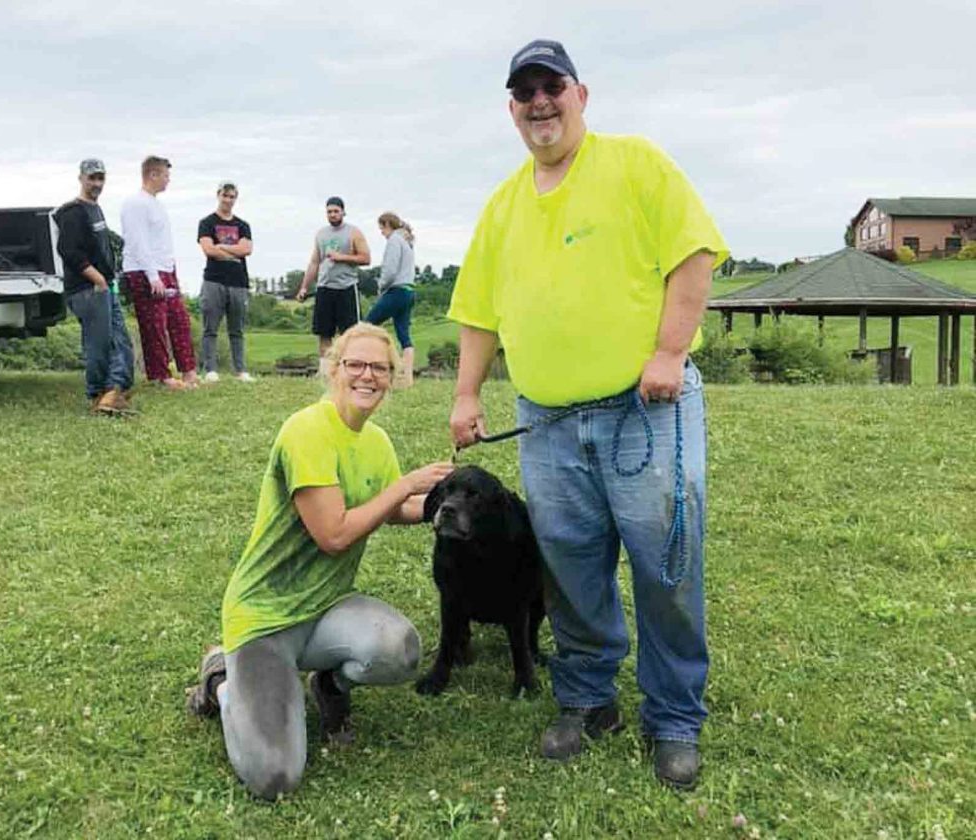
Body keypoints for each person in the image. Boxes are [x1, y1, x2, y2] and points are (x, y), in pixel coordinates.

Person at [447, 40, 728, 790]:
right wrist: (467, 394)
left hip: (646, 410)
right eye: (525, 92)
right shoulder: (503, 205)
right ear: (512, 108)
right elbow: (478, 311)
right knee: (569, 565)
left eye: (552, 86)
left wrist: (669, 351)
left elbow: (694, 255)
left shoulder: (636, 164)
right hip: (546, 422)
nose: (540, 102)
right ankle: (587, 697)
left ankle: (674, 716)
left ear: (581, 95)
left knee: (665, 564)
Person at [185, 323, 453, 800]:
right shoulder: (307, 431)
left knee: (401, 651)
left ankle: (328, 684)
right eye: (356, 364)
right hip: (265, 619)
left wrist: (448, 506)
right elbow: (334, 535)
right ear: (334, 369)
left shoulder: (376, 441)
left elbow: (393, 510)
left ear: (392, 377)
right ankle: (222, 679)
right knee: (274, 778)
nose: (368, 376)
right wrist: (405, 485)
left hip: (326, 607)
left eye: (380, 368)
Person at [54, 158, 135, 415]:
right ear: (81, 178)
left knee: (120, 341)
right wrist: (97, 279)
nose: (97, 183)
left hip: (106, 286)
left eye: (101, 178)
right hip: (87, 289)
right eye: (92, 178)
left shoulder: (95, 209)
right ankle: (98, 393)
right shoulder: (72, 212)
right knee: (98, 344)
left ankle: (114, 392)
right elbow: (68, 251)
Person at [120, 156, 198, 389]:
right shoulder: (135, 203)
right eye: (165, 175)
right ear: (152, 175)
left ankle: (189, 372)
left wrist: (170, 270)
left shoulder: (157, 204)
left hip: (166, 269)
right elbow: (138, 241)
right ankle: (160, 375)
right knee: (154, 325)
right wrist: (152, 276)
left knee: (179, 320)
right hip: (144, 270)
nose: (168, 180)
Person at [295, 196, 370, 375]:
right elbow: (315, 262)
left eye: (336, 211)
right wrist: (304, 287)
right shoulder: (321, 234)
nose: (333, 214)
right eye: (329, 212)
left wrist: (341, 257)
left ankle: (349, 370)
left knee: (350, 334)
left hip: (346, 287)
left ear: (343, 212)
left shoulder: (353, 232)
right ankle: (325, 372)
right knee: (324, 333)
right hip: (324, 287)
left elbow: (366, 258)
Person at [197, 182, 255, 383]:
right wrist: (233, 251)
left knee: (237, 329)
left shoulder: (243, 225)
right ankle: (211, 369)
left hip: (238, 282)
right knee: (210, 328)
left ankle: (240, 370)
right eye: (225, 195)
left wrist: (221, 247)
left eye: (232, 197)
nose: (228, 200)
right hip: (213, 281)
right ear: (218, 195)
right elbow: (208, 249)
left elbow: (246, 249)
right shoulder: (207, 223)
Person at [365, 212, 416, 388]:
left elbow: (390, 270)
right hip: (409, 291)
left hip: (396, 291)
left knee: (366, 327)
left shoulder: (394, 240)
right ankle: (407, 378)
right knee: (404, 335)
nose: (381, 232)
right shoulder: (407, 242)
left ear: (387, 225)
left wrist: (381, 286)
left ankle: (381, 364)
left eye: (381, 227)